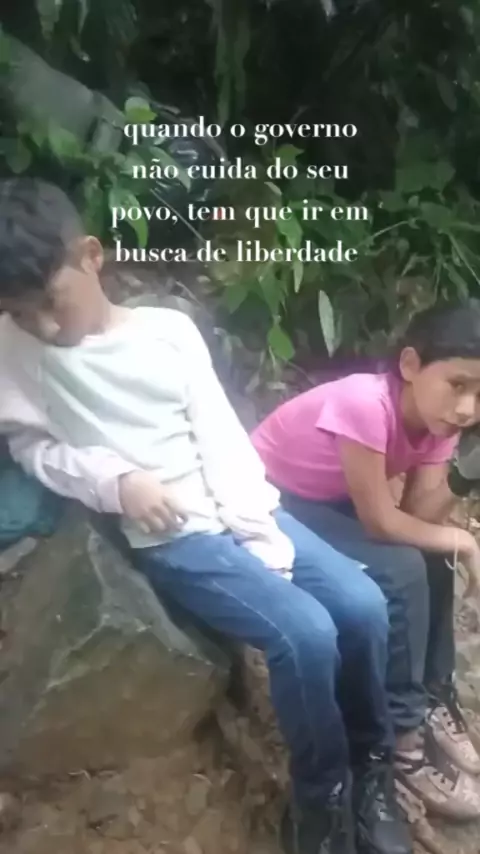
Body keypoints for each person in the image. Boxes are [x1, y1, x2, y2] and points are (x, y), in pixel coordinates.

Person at [0, 177, 411, 854]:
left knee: (363, 605)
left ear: (92, 256)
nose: (42, 326)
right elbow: (32, 447)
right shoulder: (16, 349)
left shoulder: (169, 332)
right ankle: (323, 795)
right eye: (20, 313)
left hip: (241, 507)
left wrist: (260, 535)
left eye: (49, 302)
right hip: (172, 534)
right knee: (306, 634)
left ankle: (372, 769)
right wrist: (115, 480)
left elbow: (221, 436)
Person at [252, 300, 480, 821]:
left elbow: (416, 514)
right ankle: (404, 740)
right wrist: (467, 541)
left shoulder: (438, 422)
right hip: (273, 497)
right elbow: (381, 523)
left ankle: (432, 694)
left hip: (331, 498)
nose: (467, 408)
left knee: (432, 553)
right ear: (411, 365)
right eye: (458, 384)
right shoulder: (366, 404)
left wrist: (463, 477)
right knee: (402, 571)